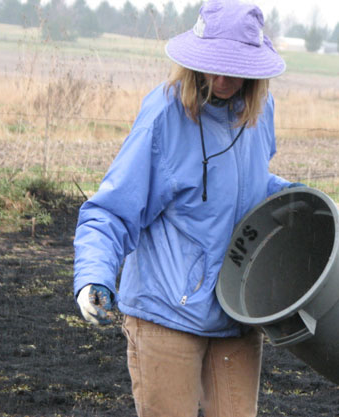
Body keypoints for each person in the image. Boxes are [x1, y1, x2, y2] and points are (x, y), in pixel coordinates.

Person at [73, 1, 301, 416]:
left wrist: (293, 198)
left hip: (236, 311)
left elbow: (245, 186)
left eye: (235, 67)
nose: (222, 77)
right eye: (214, 63)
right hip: (166, 313)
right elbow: (112, 209)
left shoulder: (258, 113)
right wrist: (94, 276)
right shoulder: (164, 116)